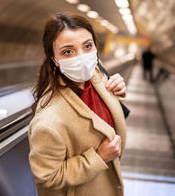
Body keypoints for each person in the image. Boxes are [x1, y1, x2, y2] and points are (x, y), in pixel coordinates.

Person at [28, 12, 127, 196]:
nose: (81, 57)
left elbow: (102, 115)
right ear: (54, 59)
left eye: (87, 46)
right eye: (68, 51)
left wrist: (118, 91)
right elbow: (48, 177)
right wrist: (99, 157)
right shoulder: (48, 123)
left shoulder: (96, 74)